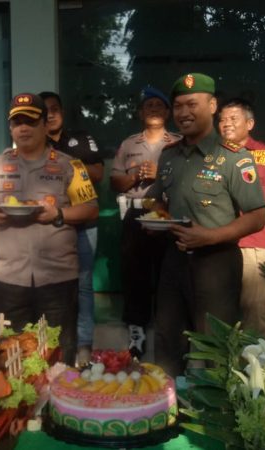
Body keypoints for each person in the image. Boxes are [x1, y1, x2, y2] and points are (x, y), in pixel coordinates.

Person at [147, 73, 265, 376]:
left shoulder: (234, 158)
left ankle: (220, 416)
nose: (184, 113)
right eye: (177, 106)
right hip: (174, 259)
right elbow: (158, 200)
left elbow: (257, 216)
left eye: (192, 104)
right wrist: (156, 218)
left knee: (217, 349)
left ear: (212, 105)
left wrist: (210, 237)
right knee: (167, 342)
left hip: (217, 263)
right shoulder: (169, 156)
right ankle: (167, 411)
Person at [0, 93, 99, 364]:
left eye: (30, 121)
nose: (23, 128)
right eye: (17, 122)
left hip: (57, 278)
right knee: (11, 355)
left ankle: (56, 402)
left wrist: (59, 213)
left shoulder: (69, 165)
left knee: (58, 353)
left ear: (44, 124)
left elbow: (90, 208)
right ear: (11, 128)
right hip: (8, 278)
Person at [111, 86, 180, 357]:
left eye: (158, 105)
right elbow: (115, 181)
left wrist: (160, 174)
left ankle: (167, 331)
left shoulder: (178, 142)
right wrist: (135, 177)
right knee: (134, 273)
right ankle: (136, 331)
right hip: (137, 212)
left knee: (168, 274)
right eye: (148, 105)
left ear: (167, 112)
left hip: (167, 212)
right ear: (140, 113)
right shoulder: (129, 144)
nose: (153, 109)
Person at [39, 91, 103, 364]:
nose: (51, 114)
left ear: (63, 111)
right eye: (45, 110)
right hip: (51, 227)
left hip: (84, 223)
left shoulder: (80, 138)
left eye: (55, 108)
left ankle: (85, 346)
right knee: (52, 287)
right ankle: (53, 344)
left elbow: (99, 173)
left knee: (84, 287)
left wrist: (66, 168)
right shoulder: (32, 143)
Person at [217, 98, 265, 338]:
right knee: (218, 316)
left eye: (233, 119)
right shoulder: (211, 154)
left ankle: (258, 373)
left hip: (253, 244)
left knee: (255, 316)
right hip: (216, 244)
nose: (226, 124)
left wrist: (243, 195)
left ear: (250, 123)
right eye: (222, 120)